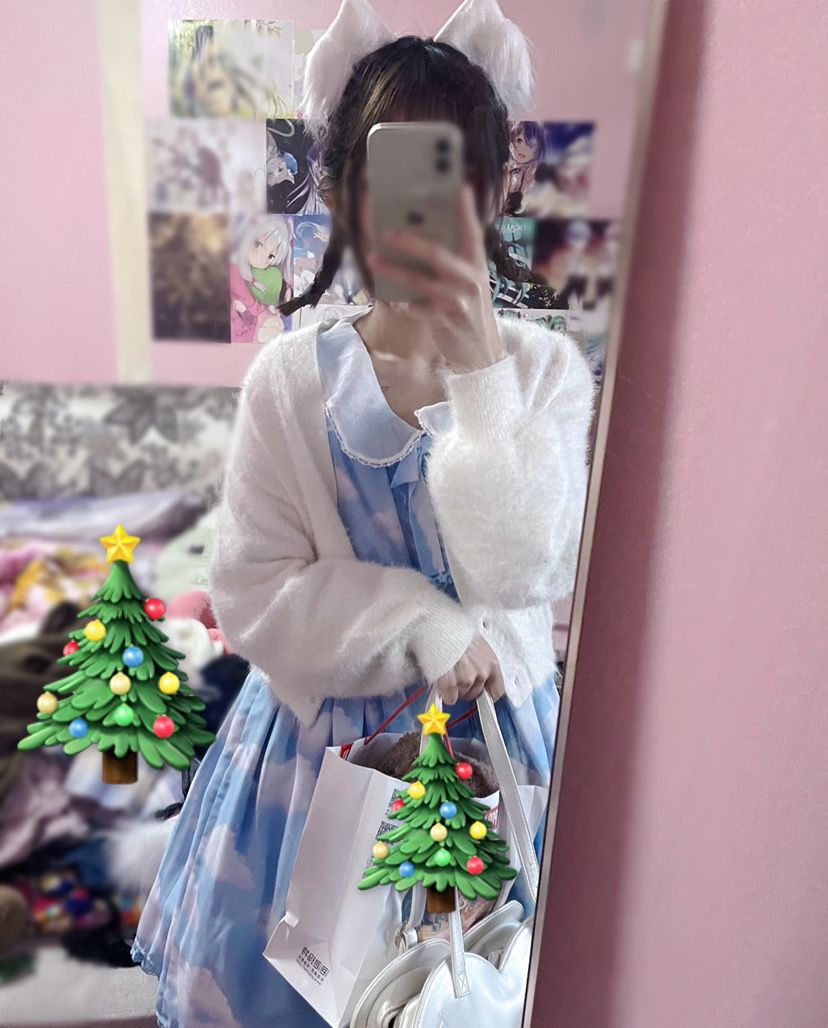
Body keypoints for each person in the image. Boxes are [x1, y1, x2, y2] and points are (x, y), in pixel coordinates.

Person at [133, 6, 594, 1026]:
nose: (421, 209)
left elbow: (523, 571)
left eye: (450, 174)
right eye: (394, 176)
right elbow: (252, 593)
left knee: (482, 986)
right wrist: (417, 620)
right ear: (344, 194)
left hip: (501, 757)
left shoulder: (545, 373)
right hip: (319, 766)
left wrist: (479, 374)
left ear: (495, 188)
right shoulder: (290, 381)